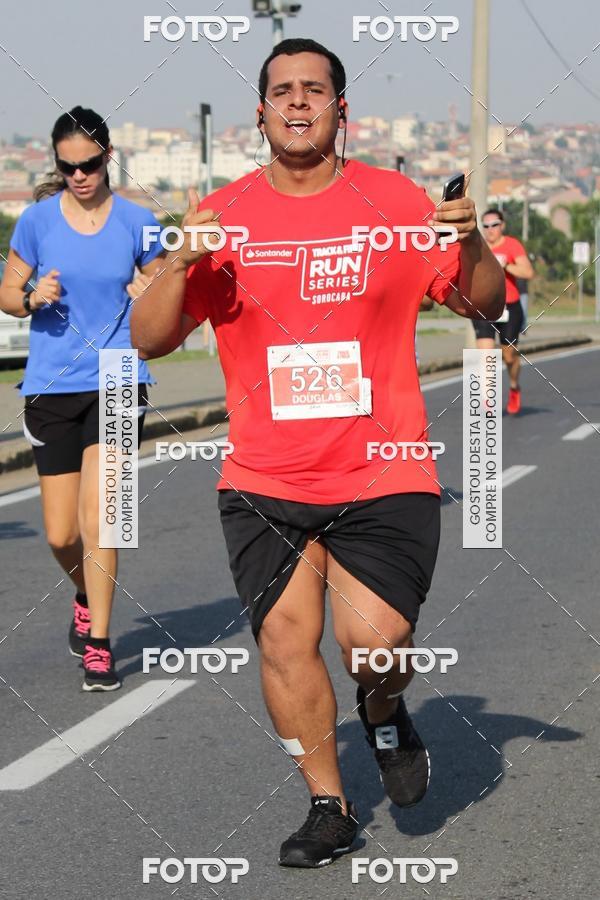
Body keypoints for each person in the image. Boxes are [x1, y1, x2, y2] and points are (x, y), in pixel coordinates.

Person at [130, 39, 504, 867]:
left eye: (315, 90)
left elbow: (484, 302)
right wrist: (178, 266)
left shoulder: (397, 201)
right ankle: (328, 805)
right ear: (259, 112)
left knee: (373, 644)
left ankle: (381, 705)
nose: (298, 102)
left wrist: (471, 242)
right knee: (284, 644)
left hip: (383, 467)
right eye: (281, 91)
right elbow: (149, 340)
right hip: (265, 477)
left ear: (342, 109)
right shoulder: (220, 216)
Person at [0, 107, 165, 691]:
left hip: (119, 373)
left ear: (108, 158)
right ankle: (82, 594)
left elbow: (169, 294)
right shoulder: (37, 222)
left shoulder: (138, 222)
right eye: (68, 167)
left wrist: (153, 287)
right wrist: (29, 294)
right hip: (51, 383)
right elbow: (7, 297)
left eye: (90, 165)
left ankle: (99, 643)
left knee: (102, 520)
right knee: (61, 534)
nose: (80, 176)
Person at [472, 209, 534, 414]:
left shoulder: (512, 245)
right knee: (486, 354)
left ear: (502, 225)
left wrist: (507, 265)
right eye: (486, 226)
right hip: (484, 307)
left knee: (509, 356)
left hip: (510, 305)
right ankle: (487, 399)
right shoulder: (478, 246)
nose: (490, 230)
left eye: (494, 224)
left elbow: (528, 272)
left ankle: (514, 386)